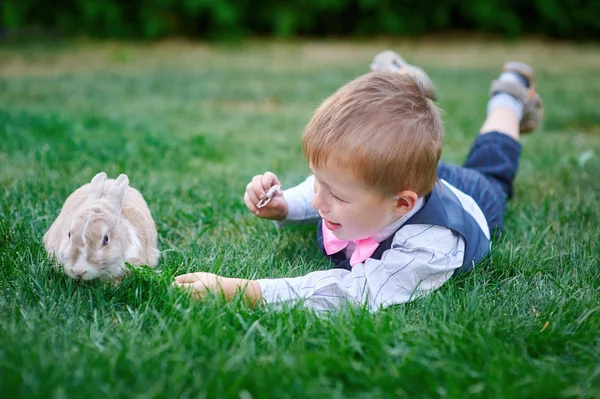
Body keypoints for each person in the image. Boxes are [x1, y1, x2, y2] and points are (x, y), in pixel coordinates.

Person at [173, 50, 544, 312]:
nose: (319, 202)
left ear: (401, 205)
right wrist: (287, 205)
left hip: (472, 197)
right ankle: (402, 88)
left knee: (492, 166)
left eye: (335, 195)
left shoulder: (432, 245)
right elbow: (328, 186)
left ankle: (508, 97)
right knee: (389, 149)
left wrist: (248, 291)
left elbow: (354, 293)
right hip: (396, 180)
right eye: (318, 183)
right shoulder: (361, 188)